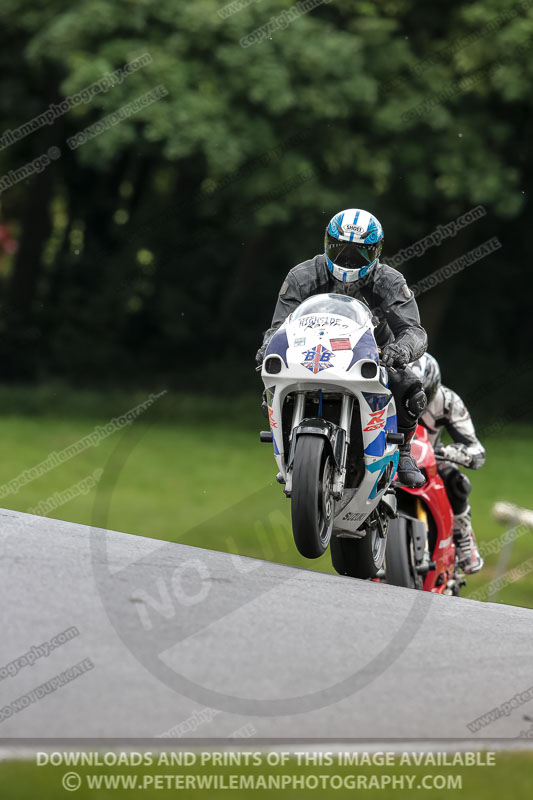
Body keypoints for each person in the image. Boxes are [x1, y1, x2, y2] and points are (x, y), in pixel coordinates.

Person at [256, 208, 428, 488]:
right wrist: (267, 346)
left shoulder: (390, 281)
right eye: (339, 249)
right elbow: (278, 327)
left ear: (377, 251)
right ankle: (289, 444)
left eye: (361, 252)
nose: (349, 259)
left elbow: (414, 331)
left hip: (373, 356)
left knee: (410, 386)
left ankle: (404, 450)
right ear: (326, 244)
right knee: (269, 386)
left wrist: (402, 350)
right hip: (312, 352)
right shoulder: (301, 276)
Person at [411, 353, 485, 574]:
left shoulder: (448, 401)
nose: (417, 402)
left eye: (424, 393)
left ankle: (463, 535)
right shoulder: (384, 392)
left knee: (456, 480)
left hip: (430, 460)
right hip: (390, 458)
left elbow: (477, 450)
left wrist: (449, 452)